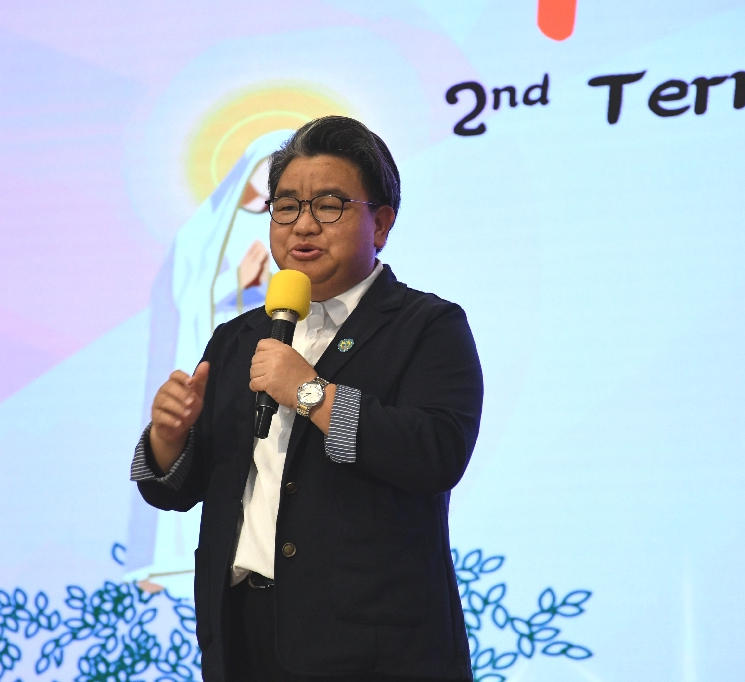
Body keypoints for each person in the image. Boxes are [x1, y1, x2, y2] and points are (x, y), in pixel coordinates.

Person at [131, 116, 483, 681]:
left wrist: (311, 393)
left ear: (381, 223)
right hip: (243, 638)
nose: (303, 225)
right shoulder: (239, 336)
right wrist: (168, 441)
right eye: (287, 206)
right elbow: (178, 491)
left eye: (329, 205)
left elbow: (435, 454)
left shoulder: (427, 326)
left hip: (372, 647)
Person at [125, 130, 292, 597]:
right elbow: (188, 296)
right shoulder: (206, 228)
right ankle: (172, 561)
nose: (298, 224)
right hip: (217, 355)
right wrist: (168, 437)